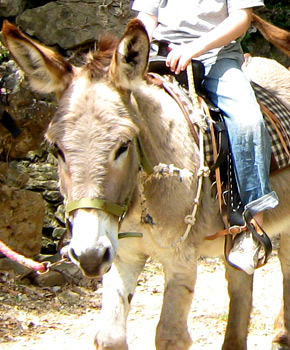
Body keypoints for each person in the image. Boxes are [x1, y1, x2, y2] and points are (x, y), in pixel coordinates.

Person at [131, 0, 279, 274]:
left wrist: (195, 48)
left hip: (216, 59)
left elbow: (241, 19)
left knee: (247, 121)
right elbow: (147, 15)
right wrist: (136, 44)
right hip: (158, 57)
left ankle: (252, 228)